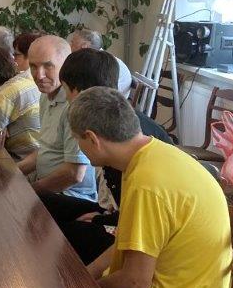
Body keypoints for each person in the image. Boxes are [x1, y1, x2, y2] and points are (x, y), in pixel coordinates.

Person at [72, 88, 230, 288]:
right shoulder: (153, 154)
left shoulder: (146, 183)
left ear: (92, 139)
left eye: (77, 139)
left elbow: (135, 281)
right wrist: (87, 276)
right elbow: (129, 241)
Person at [51, 49, 174, 263]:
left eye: (65, 90)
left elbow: (139, 219)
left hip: (145, 234)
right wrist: (103, 217)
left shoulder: (117, 139)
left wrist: (101, 221)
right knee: (49, 206)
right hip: (119, 213)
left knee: (64, 235)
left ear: (78, 91)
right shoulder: (120, 117)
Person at [17, 36, 98, 205]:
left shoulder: (74, 106)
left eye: (48, 66)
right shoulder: (46, 96)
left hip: (70, 196)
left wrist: (29, 191)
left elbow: (74, 174)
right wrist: (13, 173)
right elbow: (47, 149)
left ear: (66, 66)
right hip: (47, 187)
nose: (39, 75)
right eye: (33, 66)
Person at [68, 28, 133, 94]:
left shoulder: (99, 62)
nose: (70, 46)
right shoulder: (96, 58)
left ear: (84, 46)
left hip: (112, 97)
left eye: (73, 43)